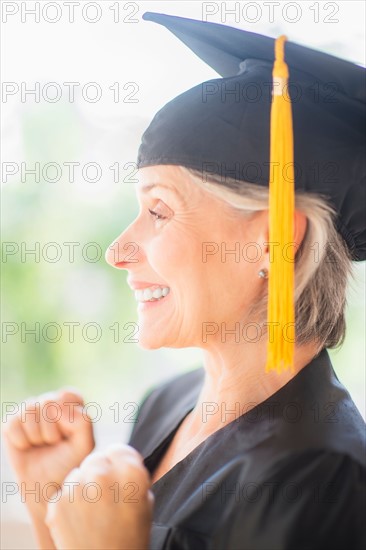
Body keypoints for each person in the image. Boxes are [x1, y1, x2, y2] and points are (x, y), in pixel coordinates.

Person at [2, 12, 365, 550]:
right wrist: (52, 505)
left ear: (272, 241)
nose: (118, 250)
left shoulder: (323, 480)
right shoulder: (168, 402)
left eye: (159, 211)